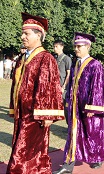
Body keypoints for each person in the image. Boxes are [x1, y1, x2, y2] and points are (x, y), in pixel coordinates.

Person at [7, 12, 64, 174]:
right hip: (22, 114)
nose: (22, 36)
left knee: (26, 154)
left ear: (38, 35)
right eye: (22, 33)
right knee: (23, 152)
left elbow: (50, 87)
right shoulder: (22, 58)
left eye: (26, 33)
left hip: (35, 116)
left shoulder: (45, 58)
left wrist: (47, 115)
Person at [53, 32, 104, 174]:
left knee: (93, 133)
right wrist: (68, 101)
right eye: (75, 46)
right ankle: (68, 164)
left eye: (79, 46)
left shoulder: (94, 64)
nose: (76, 49)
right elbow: (72, 84)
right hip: (75, 107)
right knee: (73, 134)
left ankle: (97, 157)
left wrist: (93, 107)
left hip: (89, 107)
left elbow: (98, 87)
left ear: (87, 47)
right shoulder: (75, 64)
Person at [53, 40, 72, 124]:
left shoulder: (66, 59)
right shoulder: (55, 58)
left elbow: (69, 73)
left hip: (64, 87)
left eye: (56, 46)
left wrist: (64, 86)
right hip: (56, 85)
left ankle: (70, 125)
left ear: (62, 47)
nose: (55, 48)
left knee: (66, 107)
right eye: (54, 46)